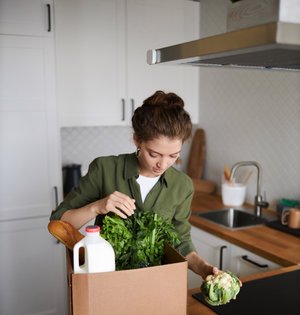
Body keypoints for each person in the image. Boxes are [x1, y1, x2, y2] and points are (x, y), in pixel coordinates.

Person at [50, 90, 218, 280]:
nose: (162, 165)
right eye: (154, 154)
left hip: (157, 283)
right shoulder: (105, 169)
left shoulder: (182, 185)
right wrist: (98, 207)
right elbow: (59, 222)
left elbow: (182, 242)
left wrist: (204, 269)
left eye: (173, 156)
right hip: (106, 281)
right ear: (137, 139)